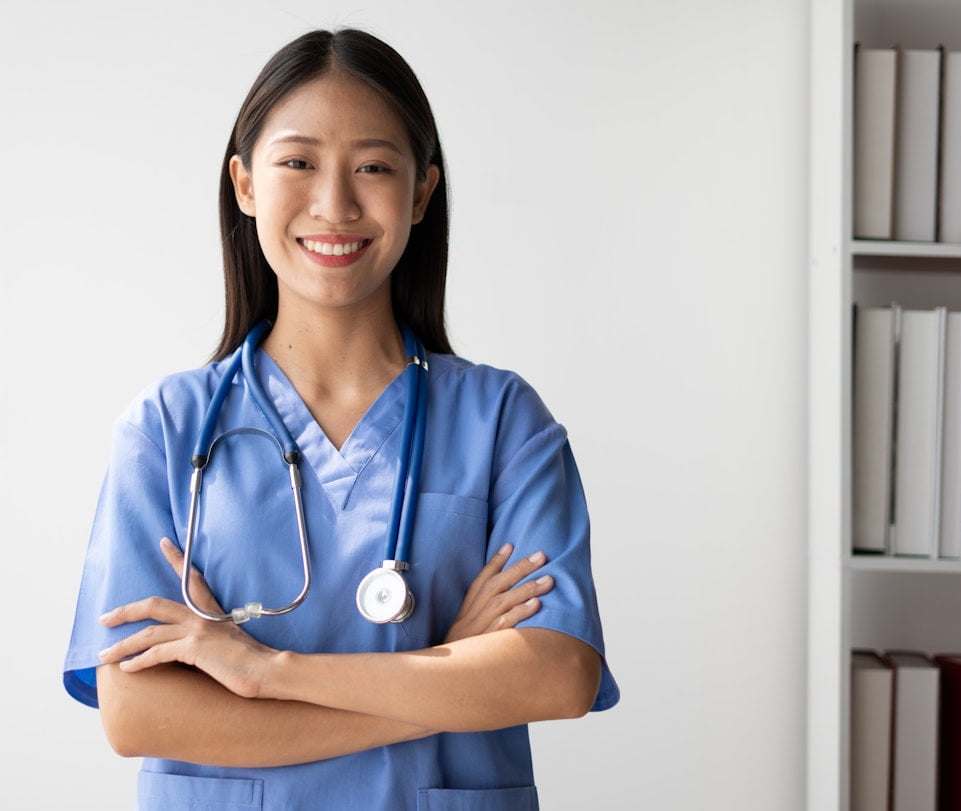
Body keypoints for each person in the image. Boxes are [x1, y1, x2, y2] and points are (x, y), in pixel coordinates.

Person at [60, 28, 619, 811]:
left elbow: (558, 674)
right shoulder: (166, 429)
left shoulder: (503, 423)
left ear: (421, 193)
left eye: (374, 167)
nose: (335, 203)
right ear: (245, 183)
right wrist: (450, 665)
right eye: (297, 162)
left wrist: (265, 673)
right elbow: (139, 712)